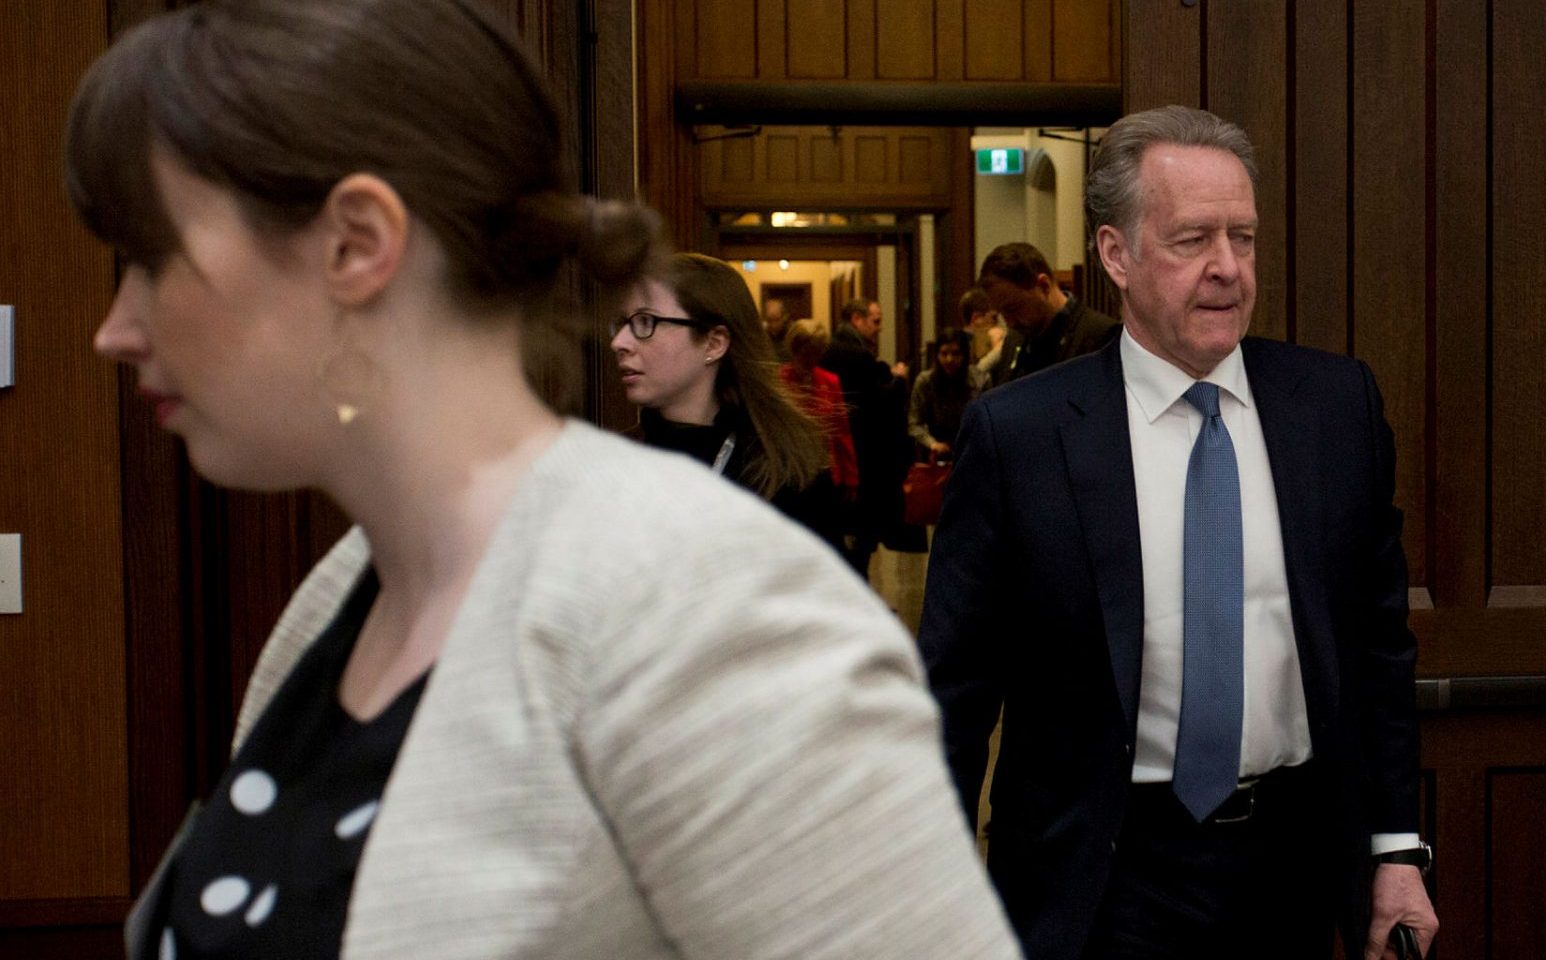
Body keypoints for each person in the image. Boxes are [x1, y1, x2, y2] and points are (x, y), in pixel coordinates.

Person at [65, 3, 1021, 958]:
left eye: (155, 259)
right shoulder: (347, 591)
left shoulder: (703, 609)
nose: (117, 327)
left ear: (356, 244)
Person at [917, 105, 1438, 960]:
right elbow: (956, 689)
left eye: (1244, 237)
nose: (1228, 268)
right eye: (1193, 239)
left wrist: (1394, 850)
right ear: (1115, 255)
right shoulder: (1023, 436)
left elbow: (1378, 649)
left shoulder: (1334, 409)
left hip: (1290, 865)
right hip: (1100, 873)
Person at [614, 252, 840, 545]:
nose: (619, 342)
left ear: (714, 343)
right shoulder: (611, 467)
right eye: (621, 324)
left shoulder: (787, 475)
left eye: (645, 322)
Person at [819, 297, 910, 574]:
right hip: (863, 451)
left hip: (840, 451)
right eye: (876, 321)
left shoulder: (832, 349)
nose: (879, 328)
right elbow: (879, 402)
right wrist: (899, 379)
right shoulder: (857, 355)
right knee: (861, 533)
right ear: (857, 320)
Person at [978, 241, 1118, 385]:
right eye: (1002, 313)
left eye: (1013, 309)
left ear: (1044, 286)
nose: (1009, 322)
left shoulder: (1101, 336)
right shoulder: (1014, 340)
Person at [780, 317, 859, 499]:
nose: (812, 360)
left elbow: (842, 432)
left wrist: (851, 478)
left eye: (817, 353)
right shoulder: (779, 381)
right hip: (791, 473)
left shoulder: (830, 382)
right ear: (795, 349)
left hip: (825, 473)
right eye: (807, 354)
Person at [908, 327, 989, 461]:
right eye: (944, 353)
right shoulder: (925, 382)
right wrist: (933, 444)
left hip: (972, 452)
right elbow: (914, 423)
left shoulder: (980, 380)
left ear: (965, 355)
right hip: (936, 452)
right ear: (937, 355)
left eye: (956, 353)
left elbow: (986, 423)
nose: (949, 359)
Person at [959, 287, 1007, 374]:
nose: (997, 323)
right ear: (976, 318)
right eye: (994, 318)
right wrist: (1002, 346)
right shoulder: (963, 346)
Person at [760, 296, 791, 361]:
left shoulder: (792, 335)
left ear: (784, 317)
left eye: (777, 320)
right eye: (769, 320)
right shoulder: (762, 336)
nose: (773, 325)